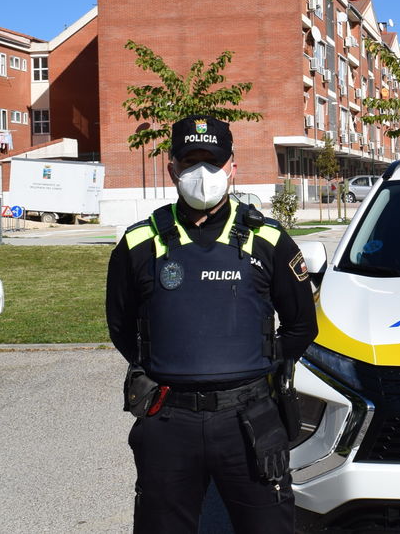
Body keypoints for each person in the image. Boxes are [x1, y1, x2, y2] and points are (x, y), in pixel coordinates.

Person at [106, 115, 318, 534]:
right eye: (190, 162)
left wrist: (256, 365)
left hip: (249, 420)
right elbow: (121, 327)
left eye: (213, 161)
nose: (202, 173)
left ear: (232, 167)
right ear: (172, 169)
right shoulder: (138, 244)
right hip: (168, 421)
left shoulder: (269, 240)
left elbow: (300, 326)